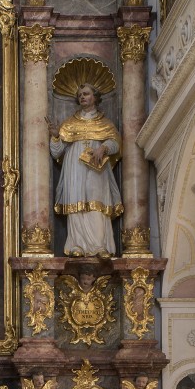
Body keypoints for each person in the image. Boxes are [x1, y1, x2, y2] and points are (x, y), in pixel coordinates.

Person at [47, 82, 123, 257]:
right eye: (80, 94)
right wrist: (55, 135)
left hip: (97, 167)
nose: (82, 97)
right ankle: (77, 245)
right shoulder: (69, 123)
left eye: (86, 93)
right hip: (74, 167)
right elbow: (56, 152)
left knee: (97, 201)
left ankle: (99, 246)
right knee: (76, 201)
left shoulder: (105, 123)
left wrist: (103, 148)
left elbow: (116, 143)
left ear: (95, 97)